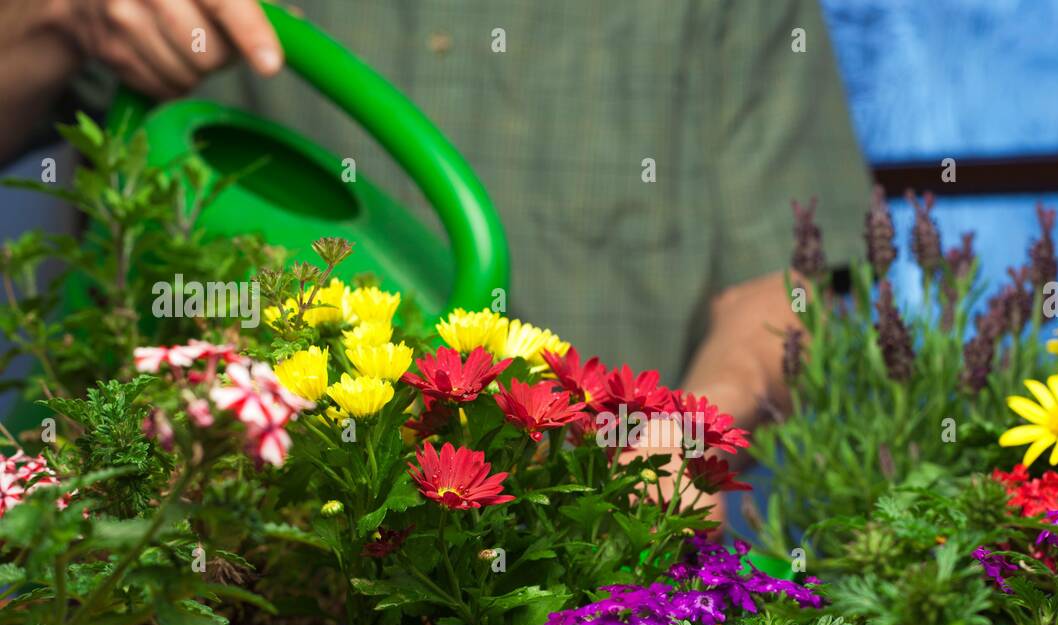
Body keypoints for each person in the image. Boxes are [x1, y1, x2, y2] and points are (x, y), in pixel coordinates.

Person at [1, 0, 868, 517]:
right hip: (217, 563)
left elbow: (784, 285)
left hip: (579, 576)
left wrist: (681, 440)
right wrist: (56, 15)